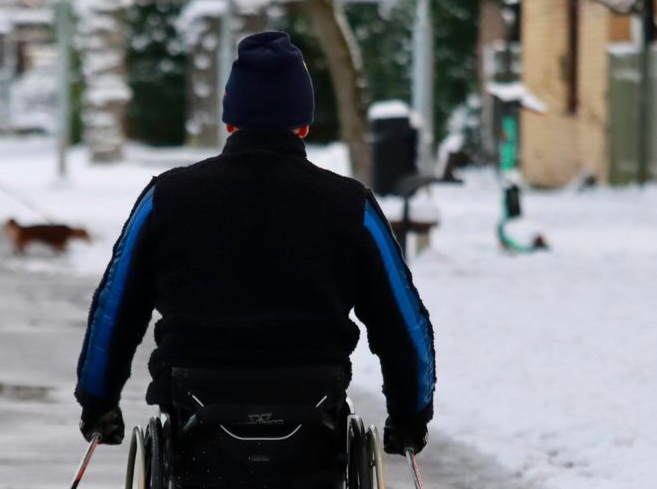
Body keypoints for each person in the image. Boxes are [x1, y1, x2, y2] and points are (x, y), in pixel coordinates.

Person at [75, 30, 435, 455]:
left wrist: (99, 403)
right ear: (303, 122)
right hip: (312, 410)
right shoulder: (349, 205)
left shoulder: (167, 197)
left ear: (230, 119)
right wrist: (410, 414)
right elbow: (401, 320)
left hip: (197, 409)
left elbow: (116, 308)